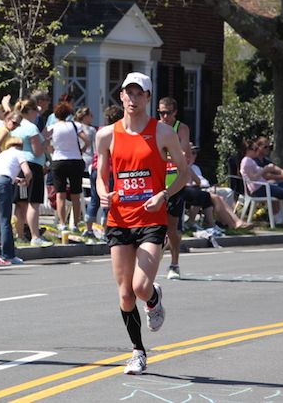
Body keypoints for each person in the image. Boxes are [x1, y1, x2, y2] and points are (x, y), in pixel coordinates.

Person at [96, 72, 189, 375]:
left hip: (151, 218)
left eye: (139, 94)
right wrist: (102, 194)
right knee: (125, 293)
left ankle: (153, 297)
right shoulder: (106, 135)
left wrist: (163, 194)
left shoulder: (162, 132)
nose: (133, 99)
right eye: (128, 93)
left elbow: (184, 172)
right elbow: (100, 175)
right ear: (121, 96)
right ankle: (137, 351)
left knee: (139, 286)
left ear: (148, 98)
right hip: (119, 219)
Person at [157, 97, 191, 280]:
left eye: (168, 113)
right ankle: (157, 251)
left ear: (175, 113)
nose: (164, 116)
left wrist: (167, 156)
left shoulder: (181, 129)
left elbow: (184, 155)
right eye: (161, 112)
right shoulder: (155, 128)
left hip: (175, 184)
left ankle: (174, 263)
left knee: (171, 228)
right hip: (156, 183)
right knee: (154, 226)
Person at [11, 99, 53, 247]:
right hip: (33, 167)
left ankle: (20, 235)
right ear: (29, 111)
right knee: (33, 203)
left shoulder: (15, 127)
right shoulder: (31, 128)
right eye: (35, 110)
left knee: (20, 203)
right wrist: (46, 141)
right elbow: (37, 151)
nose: (37, 113)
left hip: (18, 166)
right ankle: (35, 236)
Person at [0, 137, 31, 264]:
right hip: (2, 184)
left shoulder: (3, 154)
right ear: (20, 145)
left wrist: (15, 179)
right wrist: (26, 180)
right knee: (5, 219)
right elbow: (27, 171)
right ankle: (8, 255)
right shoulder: (19, 153)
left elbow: (1, 171)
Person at [82, 105, 123, 240]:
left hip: (95, 168)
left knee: (95, 200)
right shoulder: (117, 133)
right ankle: (105, 230)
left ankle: (88, 229)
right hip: (110, 170)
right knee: (108, 201)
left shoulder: (99, 131)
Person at [47, 102, 89, 232]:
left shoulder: (52, 127)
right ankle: (75, 223)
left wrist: (52, 150)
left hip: (58, 160)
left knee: (60, 194)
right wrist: (82, 150)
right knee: (76, 194)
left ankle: (62, 222)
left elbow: (47, 142)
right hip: (75, 160)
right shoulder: (75, 125)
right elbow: (87, 140)